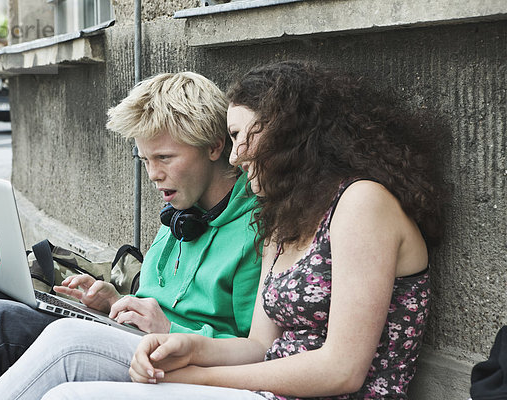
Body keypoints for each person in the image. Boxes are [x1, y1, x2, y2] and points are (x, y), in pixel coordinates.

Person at [26, 60, 448, 399]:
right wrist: (186, 346)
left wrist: (196, 377)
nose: (235, 154)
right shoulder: (285, 217)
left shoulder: (362, 203)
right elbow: (258, 345)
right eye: (232, 136)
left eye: (244, 135)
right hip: (264, 387)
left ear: (293, 135)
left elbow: (342, 371)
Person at [0, 71, 261, 400]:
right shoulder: (182, 210)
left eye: (165, 157)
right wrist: (112, 301)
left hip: (166, 356)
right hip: (124, 331)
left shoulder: (257, 233)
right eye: (145, 160)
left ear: (215, 147)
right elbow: (155, 296)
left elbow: (260, 349)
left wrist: (172, 327)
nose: (153, 174)